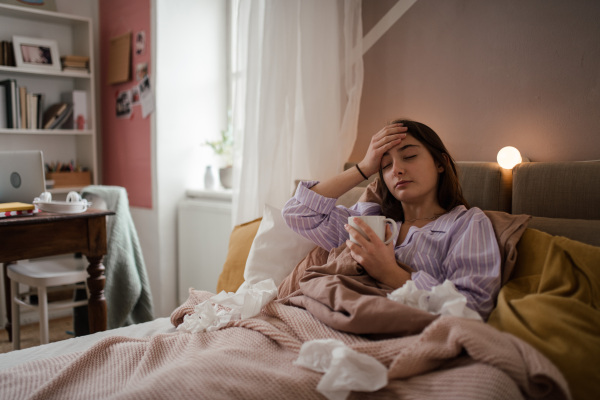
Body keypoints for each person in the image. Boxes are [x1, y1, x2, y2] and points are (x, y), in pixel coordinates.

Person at [282, 119, 501, 320]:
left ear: (440, 163)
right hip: (332, 319)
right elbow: (299, 213)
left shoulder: (466, 224)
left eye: (409, 156)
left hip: (406, 332)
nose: (397, 170)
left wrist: (392, 274)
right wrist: (364, 167)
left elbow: (473, 307)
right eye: (385, 165)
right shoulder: (370, 220)